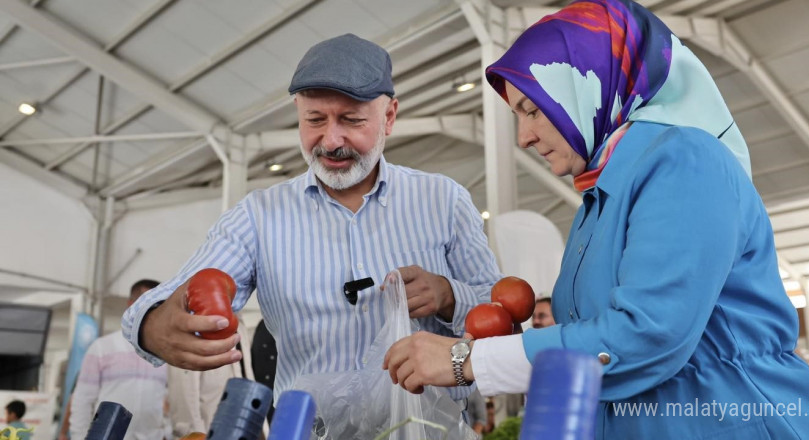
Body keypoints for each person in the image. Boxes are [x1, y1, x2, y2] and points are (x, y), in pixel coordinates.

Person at [383, 1, 809, 438]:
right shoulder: (601, 197)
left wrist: (468, 360)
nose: (523, 137)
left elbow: (647, 334)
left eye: (531, 109)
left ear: (589, 84)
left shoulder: (684, 160)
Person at [121, 33, 500, 415]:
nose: (331, 140)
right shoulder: (257, 217)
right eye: (314, 120)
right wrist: (156, 327)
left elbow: (503, 322)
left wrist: (449, 295)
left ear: (389, 117)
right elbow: (161, 304)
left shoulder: (444, 201)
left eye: (351, 120)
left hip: (430, 431)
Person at [70, 279, 168, 440]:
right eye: (147, 303)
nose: (152, 311)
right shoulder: (102, 347)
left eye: (159, 305)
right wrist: (79, 436)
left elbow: (168, 400)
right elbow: (83, 399)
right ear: (130, 304)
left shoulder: (166, 352)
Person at [166, 319, 254, 437]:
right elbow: (183, 392)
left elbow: (245, 375)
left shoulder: (240, 326)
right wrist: (194, 433)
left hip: (237, 428)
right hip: (206, 431)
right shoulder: (193, 324)